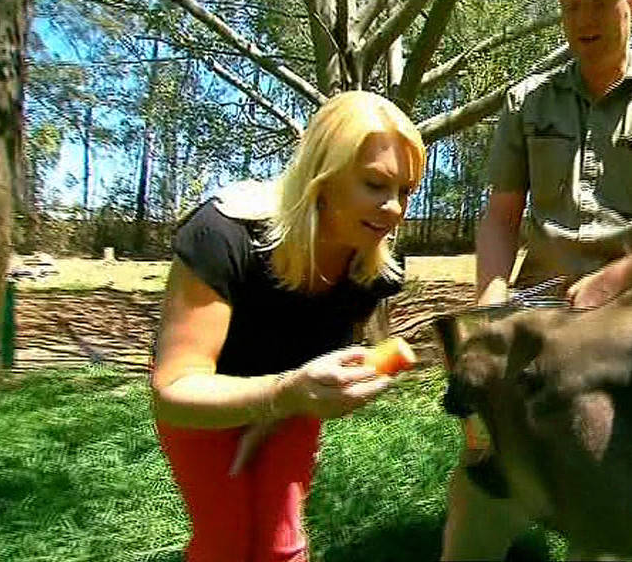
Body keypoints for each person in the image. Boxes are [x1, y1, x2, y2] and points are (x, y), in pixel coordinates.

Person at [441, 0, 632, 559]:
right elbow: (500, 219)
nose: (583, 19)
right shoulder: (528, 100)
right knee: (484, 485)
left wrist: (615, 280)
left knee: (616, 502)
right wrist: (490, 307)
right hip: (542, 323)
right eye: (570, 5)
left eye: (598, 2)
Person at [151, 90, 426, 562]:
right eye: (375, 185)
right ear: (323, 175)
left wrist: (291, 405)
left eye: (405, 191)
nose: (394, 208)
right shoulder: (223, 235)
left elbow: (317, 360)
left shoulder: (373, 270)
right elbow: (174, 392)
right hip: (203, 404)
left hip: (292, 403)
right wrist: (279, 396)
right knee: (225, 542)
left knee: (283, 545)